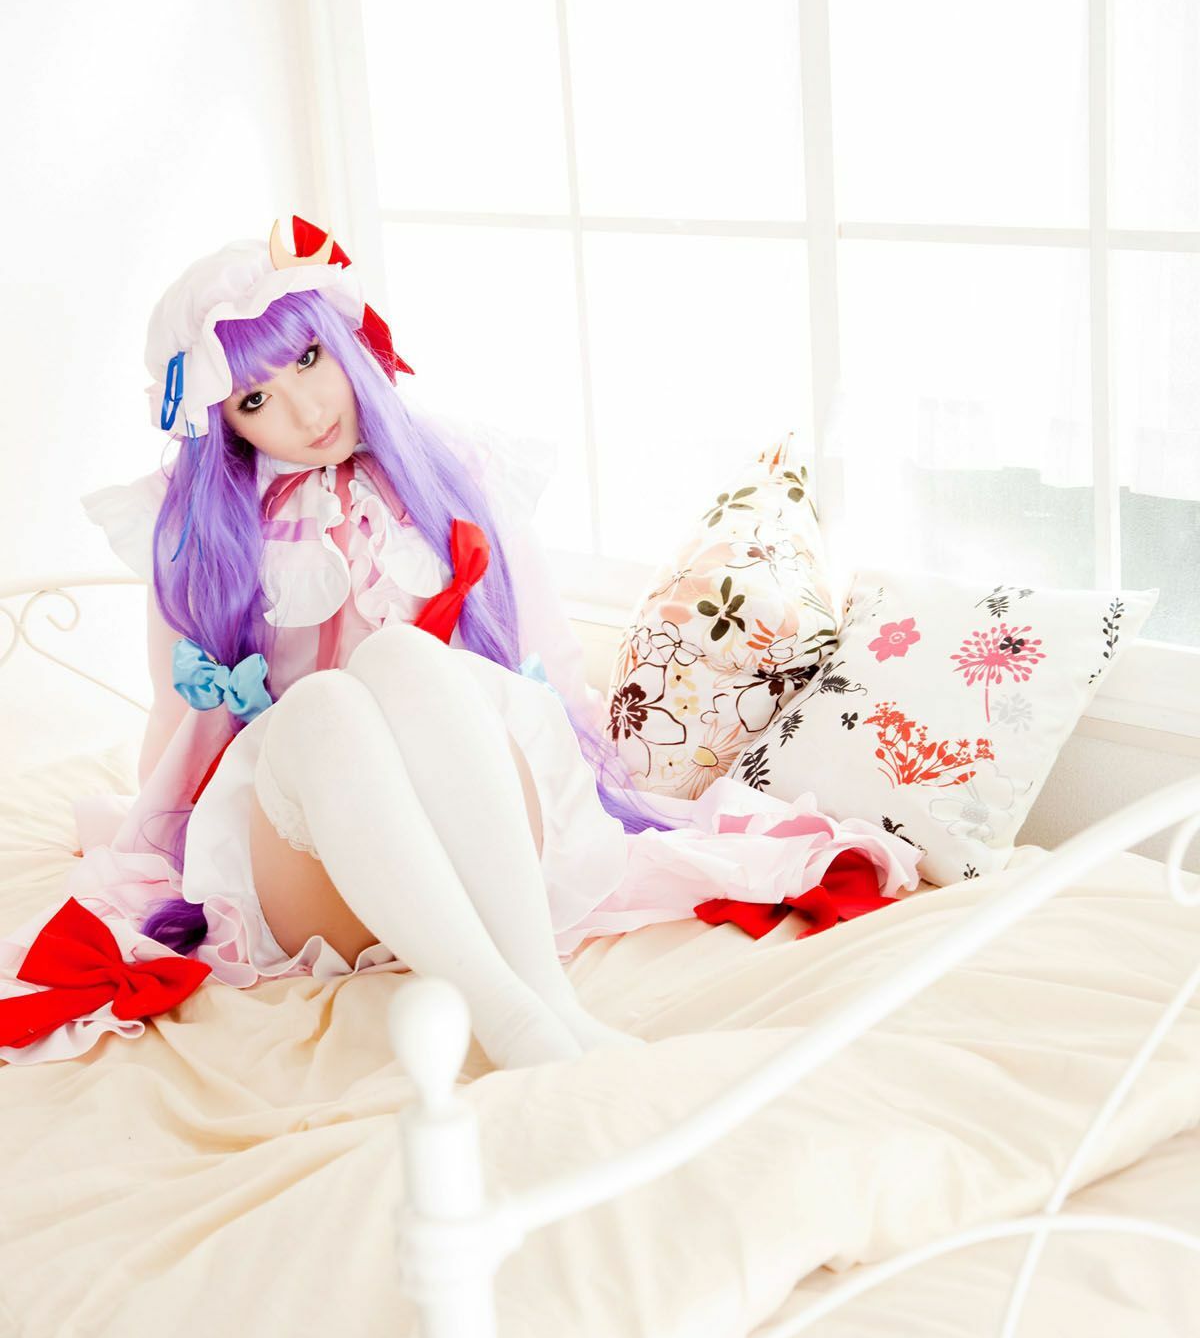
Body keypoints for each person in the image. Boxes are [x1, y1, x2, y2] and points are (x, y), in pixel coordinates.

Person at [0, 218, 921, 1070]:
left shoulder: (456, 470)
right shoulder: (201, 529)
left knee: (400, 659)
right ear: (224, 422)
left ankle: (543, 1000)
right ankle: (510, 1016)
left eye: (311, 358)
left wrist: (607, 791)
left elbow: (551, 660)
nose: (306, 410)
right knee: (323, 702)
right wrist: (148, 845)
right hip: (317, 852)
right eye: (256, 397)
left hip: (481, 816)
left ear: (344, 339)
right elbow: (176, 714)